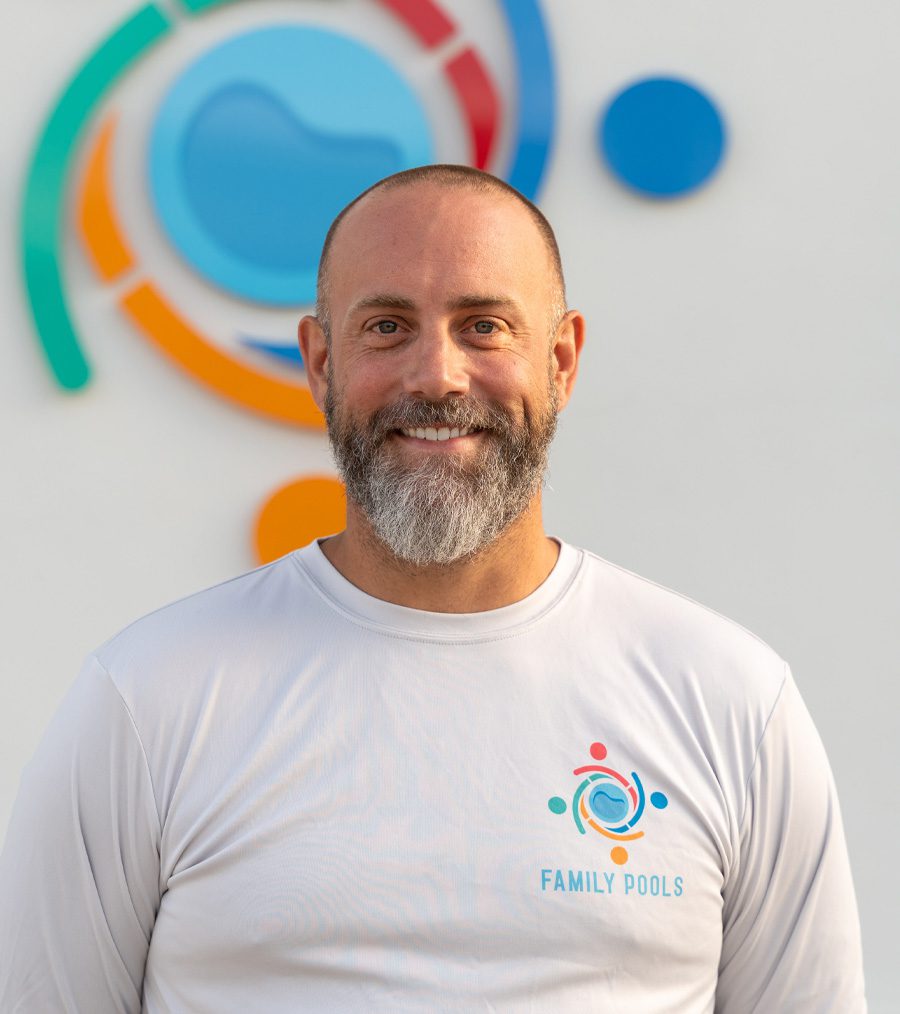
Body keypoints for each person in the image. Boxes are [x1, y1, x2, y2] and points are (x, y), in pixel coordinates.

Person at [0, 165, 865, 1012]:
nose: (437, 377)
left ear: (561, 361)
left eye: (484, 325)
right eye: (386, 327)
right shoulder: (150, 698)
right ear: (320, 363)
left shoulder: (729, 701)